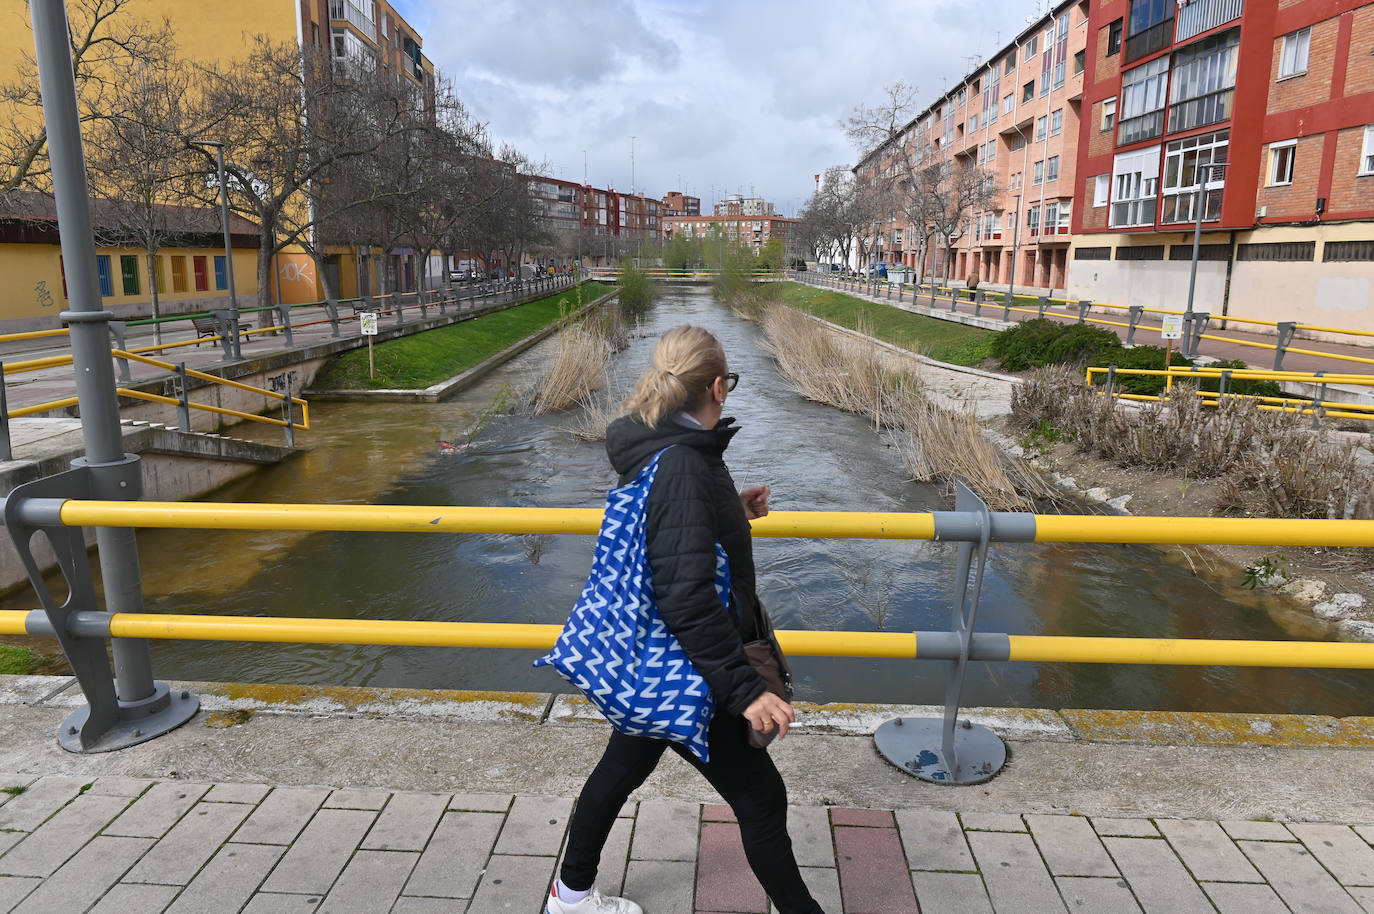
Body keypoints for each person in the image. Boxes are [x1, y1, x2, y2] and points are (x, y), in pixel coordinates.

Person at [546, 325, 825, 914]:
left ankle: (569, 897)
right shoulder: (683, 464)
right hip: (693, 667)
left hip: (660, 661)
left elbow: (675, 540)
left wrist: (731, 511)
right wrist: (745, 691)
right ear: (719, 386)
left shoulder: (670, 446)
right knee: (762, 801)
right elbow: (684, 594)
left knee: (620, 769)